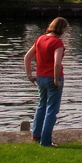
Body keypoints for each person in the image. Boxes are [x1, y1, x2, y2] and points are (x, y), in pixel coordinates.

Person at [24, 17, 68, 147]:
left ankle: (36, 135)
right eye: (65, 29)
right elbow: (57, 63)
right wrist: (56, 80)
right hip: (53, 78)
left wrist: (29, 75)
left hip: (40, 78)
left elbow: (27, 57)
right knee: (51, 110)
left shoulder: (40, 39)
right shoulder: (57, 43)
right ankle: (46, 141)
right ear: (61, 29)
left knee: (41, 106)